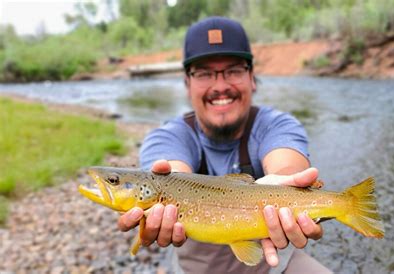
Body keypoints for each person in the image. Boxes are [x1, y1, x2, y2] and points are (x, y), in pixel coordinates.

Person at [117, 16, 331, 274]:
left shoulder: (278, 125)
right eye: (205, 73)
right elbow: (168, 175)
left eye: (233, 71)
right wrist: (163, 207)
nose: (220, 86)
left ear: (252, 77)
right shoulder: (167, 136)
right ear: (187, 83)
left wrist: (289, 183)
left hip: (275, 264)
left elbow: (286, 166)